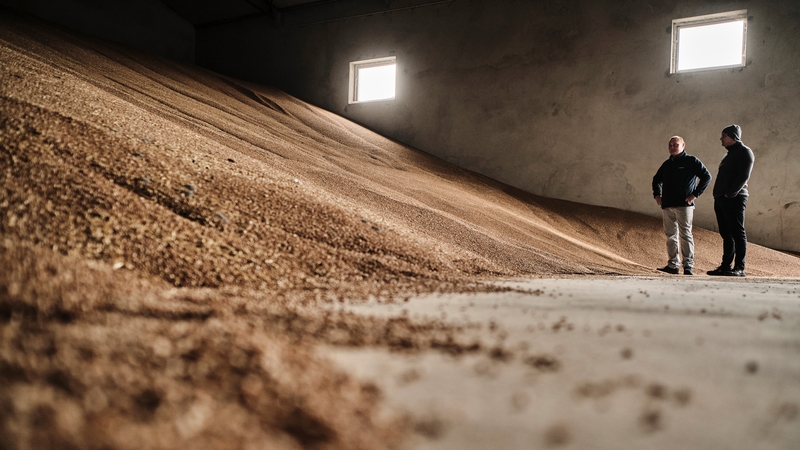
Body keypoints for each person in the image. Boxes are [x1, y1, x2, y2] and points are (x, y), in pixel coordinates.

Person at [652, 136, 711, 275]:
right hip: (667, 206)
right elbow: (656, 179)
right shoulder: (667, 164)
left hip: (684, 206)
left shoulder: (691, 161)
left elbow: (706, 176)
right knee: (670, 235)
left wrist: (695, 194)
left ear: (683, 145)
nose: (673, 147)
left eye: (676, 144)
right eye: (670, 145)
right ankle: (673, 265)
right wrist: (656, 194)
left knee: (685, 235)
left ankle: (688, 266)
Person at [707, 124, 755, 277]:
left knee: (737, 232)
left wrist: (731, 194)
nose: (721, 138)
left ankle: (740, 268)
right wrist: (720, 196)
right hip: (721, 198)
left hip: (735, 198)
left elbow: (744, 176)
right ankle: (726, 266)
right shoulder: (728, 155)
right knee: (726, 234)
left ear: (733, 136)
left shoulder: (745, 152)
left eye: (724, 135)